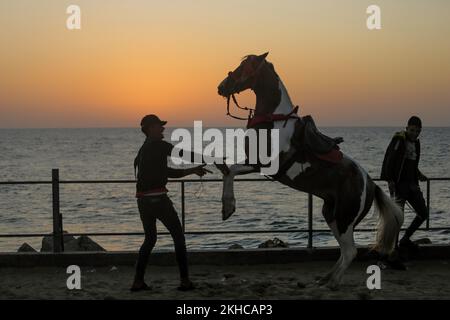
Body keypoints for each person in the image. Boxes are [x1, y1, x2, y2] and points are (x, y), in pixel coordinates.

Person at [130, 114, 211, 292]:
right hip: (158, 200)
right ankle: (184, 281)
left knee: (150, 240)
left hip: (143, 201)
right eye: (160, 126)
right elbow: (182, 154)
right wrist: (209, 159)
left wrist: (192, 170)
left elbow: (166, 172)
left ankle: (138, 281)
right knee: (178, 237)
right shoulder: (159, 145)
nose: (163, 129)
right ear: (150, 128)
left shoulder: (144, 150)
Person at [381, 116, 428, 256]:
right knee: (397, 219)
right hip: (398, 185)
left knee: (423, 213)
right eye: (413, 130)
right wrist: (389, 180)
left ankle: (406, 238)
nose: (415, 133)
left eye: (418, 131)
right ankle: (392, 250)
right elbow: (389, 159)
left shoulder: (417, 143)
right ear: (407, 128)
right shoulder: (399, 140)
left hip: (412, 185)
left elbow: (411, 163)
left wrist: (419, 174)